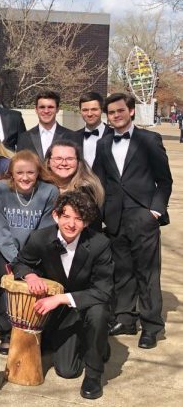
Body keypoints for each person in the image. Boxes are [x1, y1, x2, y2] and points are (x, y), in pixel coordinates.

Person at [12, 191, 114, 400]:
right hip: (58, 313)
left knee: (99, 314)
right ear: (56, 216)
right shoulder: (41, 238)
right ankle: (93, 342)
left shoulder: (99, 244)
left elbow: (103, 291)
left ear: (86, 223)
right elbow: (20, 263)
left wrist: (59, 298)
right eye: (66, 216)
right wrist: (30, 276)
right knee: (67, 370)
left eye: (79, 218)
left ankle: (94, 374)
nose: (71, 224)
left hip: (86, 306)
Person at [93, 93, 172, 348]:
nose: (115, 116)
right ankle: (125, 319)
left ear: (131, 111)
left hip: (143, 216)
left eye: (119, 111)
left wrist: (155, 211)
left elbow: (164, 180)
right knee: (122, 272)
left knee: (147, 273)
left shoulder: (149, 140)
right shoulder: (104, 144)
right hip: (114, 219)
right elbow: (99, 182)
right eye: (111, 113)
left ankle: (151, 326)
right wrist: (101, 214)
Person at [0, 150, 59, 353]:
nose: (25, 177)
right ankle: (6, 333)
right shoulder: (0, 189)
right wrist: (17, 261)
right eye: (19, 173)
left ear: (39, 172)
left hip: (35, 252)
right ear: (11, 173)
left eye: (30, 172)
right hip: (4, 249)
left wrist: (29, 261)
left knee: (36, 289)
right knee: (9, 287)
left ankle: (33, 331)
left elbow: (44, 229)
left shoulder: (49, 191)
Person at [44, 141, 104, 213]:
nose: (64, 163)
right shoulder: (39, 187)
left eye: (70, 159)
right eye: (58, 158)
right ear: (48, 162)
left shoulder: (86, 190)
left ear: (78, 162)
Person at [16, 90, 78, 160]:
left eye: (50, 107)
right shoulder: (24, 138)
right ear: (36, 110)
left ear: (57, 109)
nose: (46, 111)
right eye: (42, 107)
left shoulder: (72, 136)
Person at [76, 91, 107, 167]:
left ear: (101, 110)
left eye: (94, 109)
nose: (89, 114)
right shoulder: (73, 137)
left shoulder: (115, 135)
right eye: (85, 110)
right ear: (80, 111)